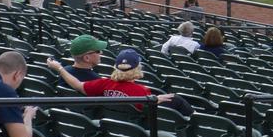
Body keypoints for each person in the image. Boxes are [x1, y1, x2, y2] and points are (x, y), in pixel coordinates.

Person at [48, 49, 191, 117]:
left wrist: (60, 68)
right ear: (137, 69)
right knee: (176, 99)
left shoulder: (103, 84)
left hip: (114, 125)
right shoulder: (141, 92)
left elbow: (77, 85)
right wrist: (156, 100)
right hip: (136, 128)